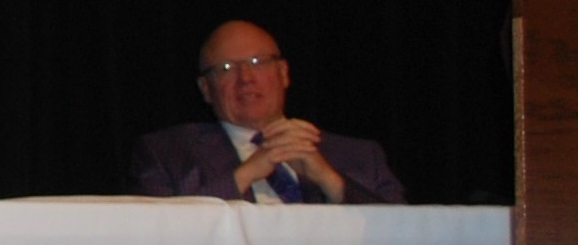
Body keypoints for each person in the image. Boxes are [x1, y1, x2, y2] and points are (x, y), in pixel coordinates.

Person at [130, 20, 407, 204]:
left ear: (284, 73)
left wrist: (328, 179)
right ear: (205, 88)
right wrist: (245, 175)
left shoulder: (360, 155)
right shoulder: (168, 152)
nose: (246, 78)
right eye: (226, 68)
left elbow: (405, 232)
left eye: (258, 62)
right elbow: (163, 230)